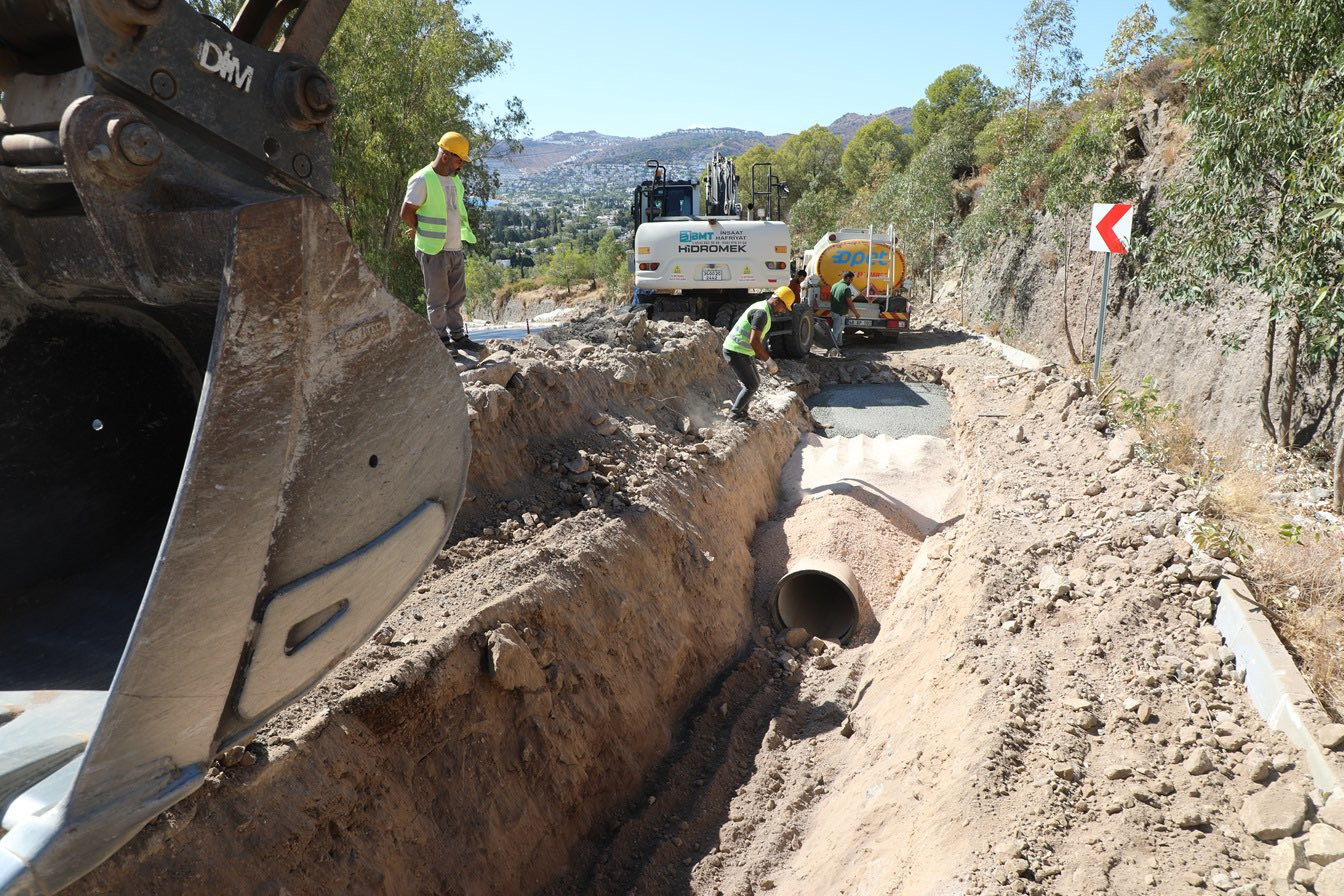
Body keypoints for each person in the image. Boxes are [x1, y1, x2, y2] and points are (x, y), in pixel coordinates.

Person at [400, 131, 483, 352]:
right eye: (458, 160)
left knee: (456, 297)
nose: (460, 166)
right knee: (437, 299)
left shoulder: (455, 182)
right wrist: (419, 230)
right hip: (433, 250)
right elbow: (407, 212)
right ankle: (441, 342)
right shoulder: (422, 179)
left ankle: (458, 338)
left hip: (454, 248)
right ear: (445, 156)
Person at [722, 286, 795, 422]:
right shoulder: (761, 313)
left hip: (741, 351)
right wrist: (768, 361)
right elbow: (754, 341)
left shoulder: (763, 308)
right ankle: (733, 416)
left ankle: (742, 413)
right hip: (735, 350)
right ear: (777, 301)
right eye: (784, 307)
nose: (783, 311)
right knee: (751, 384)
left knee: (754, 382)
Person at [829, 270, 860, 350]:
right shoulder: (846, 288)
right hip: (841, 312)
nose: (851, 281)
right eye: (851, 280)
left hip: (835, 311)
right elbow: (850, 303)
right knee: (836, 331)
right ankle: (833, 348)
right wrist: (856, 313)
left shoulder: (834, 285)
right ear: (847, 278)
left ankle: (839, 345)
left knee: (839, 330)